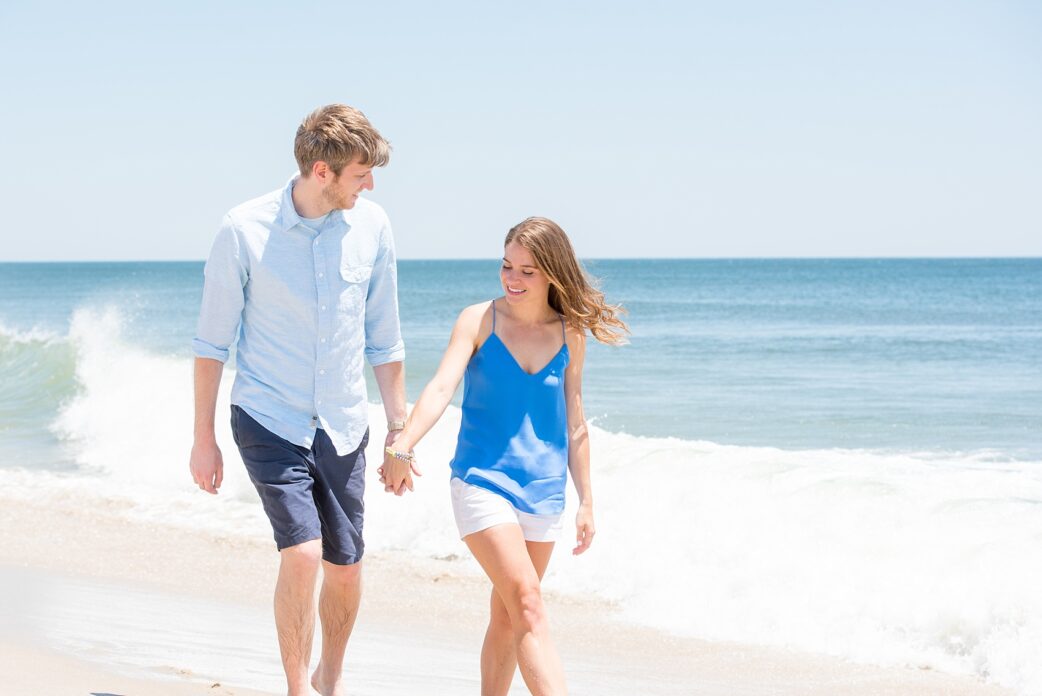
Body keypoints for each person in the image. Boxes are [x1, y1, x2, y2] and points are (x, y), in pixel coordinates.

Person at [189, 104, 406, 696]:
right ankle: (296, 688)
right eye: (361, 173)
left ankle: (328, 677)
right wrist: (203, 439)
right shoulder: (242, 229)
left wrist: (398, 430)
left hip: (341, 422)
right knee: (304, 554)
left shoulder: (374, 227)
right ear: (321, 171)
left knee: (347, 565)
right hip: (268, 416)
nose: (371, 184)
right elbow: (212, 344)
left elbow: (384, 338)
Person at [380, 217, 628, 695]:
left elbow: (576, 423)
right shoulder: (479, 320)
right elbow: (440, 388)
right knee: (529, 603)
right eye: (506, 266)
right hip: (481, 480)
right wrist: (402, 444)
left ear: (553, 273)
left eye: (527, 271)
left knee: (508, 616)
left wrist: (587, 501)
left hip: (543, 492)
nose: (513, 279)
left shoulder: (569, 332)